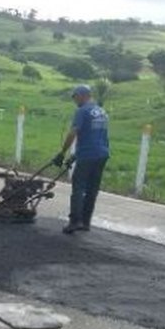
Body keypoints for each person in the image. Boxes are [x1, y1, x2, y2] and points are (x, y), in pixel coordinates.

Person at [52, 84, 110, 234]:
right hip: (102, 154)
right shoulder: (101, 111)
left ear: (83, 95)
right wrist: (74, 156)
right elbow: (94, 136)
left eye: (75, 96)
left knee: (78, 188)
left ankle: (74, 221)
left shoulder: (82, 111)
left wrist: (62, 153)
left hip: (88, 155)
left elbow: (73, 133)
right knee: (92, 189)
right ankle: (85, 222)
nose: (74, 99)